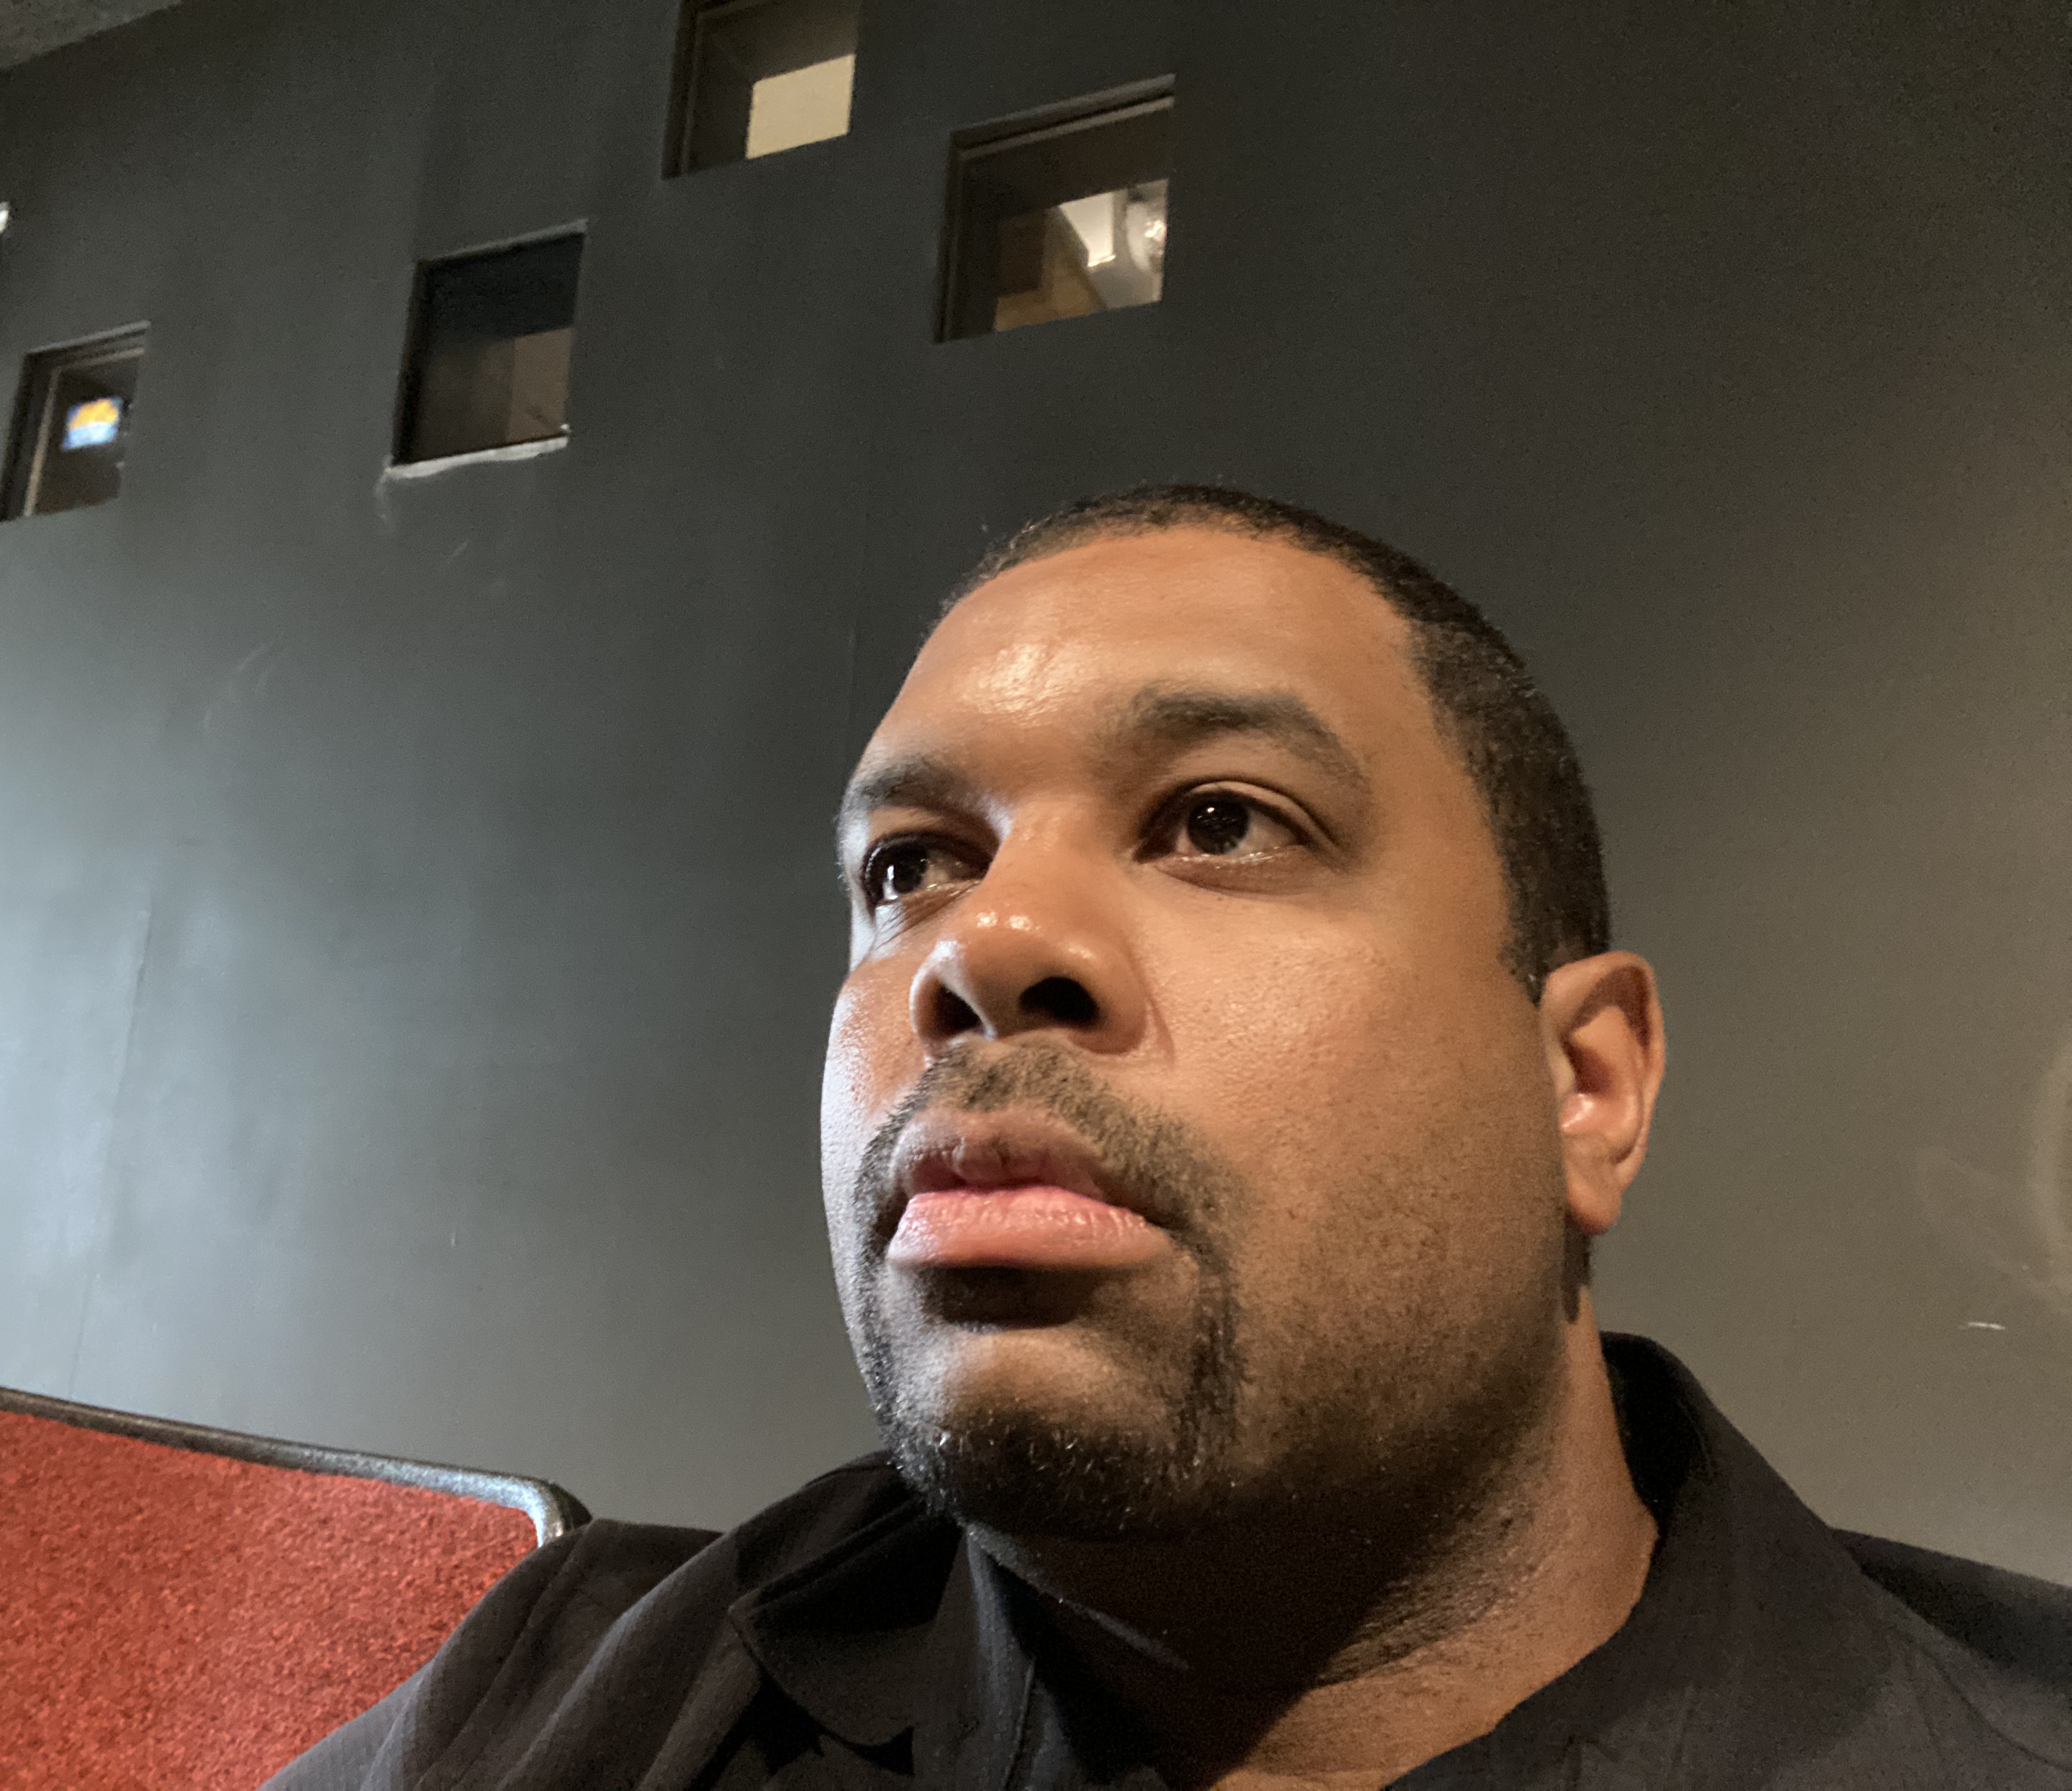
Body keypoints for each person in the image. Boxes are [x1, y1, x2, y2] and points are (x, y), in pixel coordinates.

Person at [269, 487, 2072, 1790]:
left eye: (1221, 821)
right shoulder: (552, 1700)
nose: (980, 947)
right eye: (912, 867)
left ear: (1583, 1086)